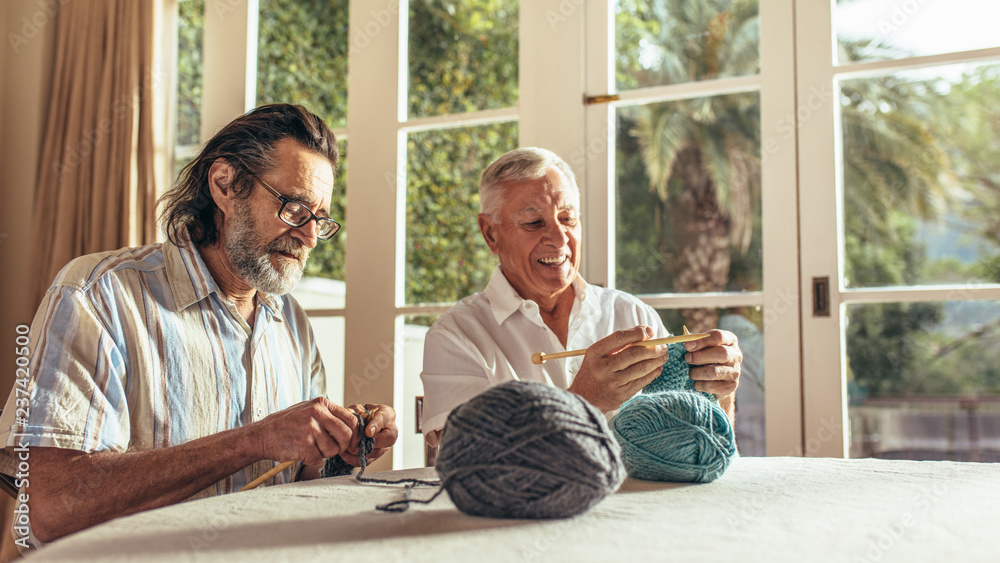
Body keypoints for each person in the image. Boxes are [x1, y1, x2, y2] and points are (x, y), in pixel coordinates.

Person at [0, 104, 397, 547]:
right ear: (225, 185)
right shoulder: (96, 295)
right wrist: (253, 440)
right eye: (294, 208)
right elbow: (50, 509)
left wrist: (340, 444)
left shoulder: (293, 324)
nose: (307, 237)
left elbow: (297, 480)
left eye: (318, 220)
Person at [420, 147, 742, 449]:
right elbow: (468, 457)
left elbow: (702, 443)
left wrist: (720, 394)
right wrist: (584, 400)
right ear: (490, 233)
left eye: (567, 218)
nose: (559, 238)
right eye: (534, 223)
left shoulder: (631, 314)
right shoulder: (457, 335)